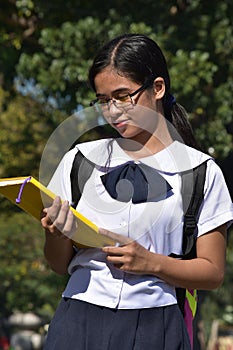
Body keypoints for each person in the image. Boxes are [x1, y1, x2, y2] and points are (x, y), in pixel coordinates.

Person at [41, 34, 233, 350]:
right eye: (103, 100)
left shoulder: (201, 171)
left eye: (123, 96)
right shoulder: (79, 161)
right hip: (77, 319)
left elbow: (212, 272)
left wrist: (151, 263)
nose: (112, 110)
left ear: (158, 88)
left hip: (157, 323)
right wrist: (56, 235)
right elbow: (59, 265)